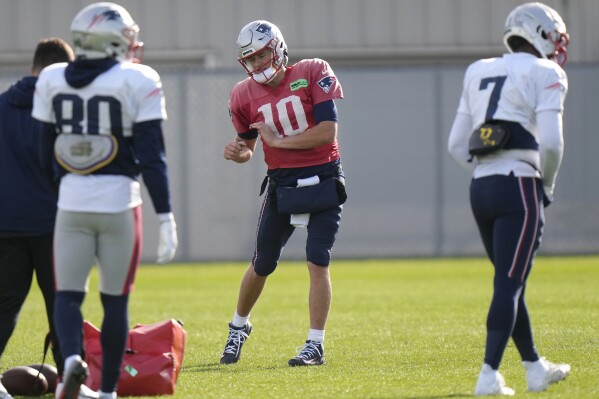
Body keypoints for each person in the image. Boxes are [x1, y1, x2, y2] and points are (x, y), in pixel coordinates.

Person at [32, 3, 178, 399]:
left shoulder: (51, 78)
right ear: (112, 39)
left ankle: (70, 366)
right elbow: (152, 156)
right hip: (119, 205)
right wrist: (165, 214)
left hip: (72, 204)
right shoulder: (138, 79)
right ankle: (109, 391)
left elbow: (44, 151)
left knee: (67, 296)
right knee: (115, 301)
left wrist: (64, 189)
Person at [448, 2, 571, 396]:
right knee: (509, 284)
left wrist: (487, 172)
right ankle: (488, 375)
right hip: (519, 185)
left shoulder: (478, 69)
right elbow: (551, 143)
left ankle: (535, 368)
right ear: (539, 33)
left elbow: (455, 144)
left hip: (480, 187)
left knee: (509, 282)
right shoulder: (546, 71)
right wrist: (546, 185)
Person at [221, 20, 346, 367]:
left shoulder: (312, 70)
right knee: (262, 262)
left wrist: (277, 142)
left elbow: (327, 131)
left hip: (323, 175)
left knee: (318, 258)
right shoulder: (242, 93)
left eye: (263, 54)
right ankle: (238, 326)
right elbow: (247, 147)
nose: (259, 63)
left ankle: (315, 345)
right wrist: (238, 153)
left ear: (277, 48)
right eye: (252, 58)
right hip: (282, 183)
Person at [0, 37, 98, 399]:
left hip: (5, 224)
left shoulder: (1, 106)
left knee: (4, 305)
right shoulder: (68, 110)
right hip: (55, 223)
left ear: (33, 68)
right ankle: (74, 381)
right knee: (64, 304)